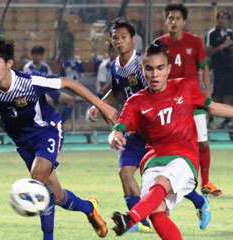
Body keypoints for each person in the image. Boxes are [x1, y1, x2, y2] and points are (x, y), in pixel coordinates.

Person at [109, 43, 233, 239]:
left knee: (162, 182)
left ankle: (131, 219)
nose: (155, 74)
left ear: (168, 69)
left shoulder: (184, 87)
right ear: (142, 70)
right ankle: (136, 217)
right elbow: (120, 127)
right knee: (157, 213)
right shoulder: (136, 101)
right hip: (152, 160)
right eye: (149, 69)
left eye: (160, 68)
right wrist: (114, 136)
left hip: (183, 158)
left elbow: (213, 107)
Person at [0, 35, 118, 240]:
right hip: (23, 142)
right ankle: (89, 208)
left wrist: (102, 105)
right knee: (56, 196)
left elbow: (68, 83)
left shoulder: (29, 83)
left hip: (46, 130)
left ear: (9, 64)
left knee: (38, 178)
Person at [87, 18, 151, 233]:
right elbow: (116, 92)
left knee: (161, 179)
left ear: (133, 39)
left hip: (152, 128)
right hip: (132, 127)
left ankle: (198, 200)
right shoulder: (115, 66)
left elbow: (153, 95)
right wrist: (99, 105)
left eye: (124, 37)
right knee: (125, 173)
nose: (119, 41)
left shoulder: (143, 65)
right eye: (116, 37)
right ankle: (139, 221)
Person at [155, 3, 221, 196]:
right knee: (169, 144)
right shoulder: (159, 44)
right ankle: (167, 181)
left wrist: (207, 92)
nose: (173, 21)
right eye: (170, 18)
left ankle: (206, 182)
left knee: (202, 141)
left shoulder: (195, 42)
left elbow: (204, 68)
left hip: (193, 100)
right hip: (169, 102)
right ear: (165, 20)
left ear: (184, 21)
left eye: (177, 18)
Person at [23, 45, 75, 123]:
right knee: (49, 101)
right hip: (37, 91)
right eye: (36, 55)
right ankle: (48, 124)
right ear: (32, 56)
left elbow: (50, 78)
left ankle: (61, 122)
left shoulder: (45, 66)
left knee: (71, 100)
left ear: (43, 56)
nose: (38, 57)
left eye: (40, 55)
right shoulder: (28, 67)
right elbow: (30, 83)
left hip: (49, 90)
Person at [206, 11, 233, 129]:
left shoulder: (230, 33)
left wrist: (232, 46)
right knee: (216, 94)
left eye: (225, 19)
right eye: (221, 18)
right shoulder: (211, 33)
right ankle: (211, 119)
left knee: (228, 94)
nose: (223, 21)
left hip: (229, 68)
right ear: (217, 19)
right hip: (217, 68)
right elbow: (208, 52)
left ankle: (228, 120)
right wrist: (222, 46)